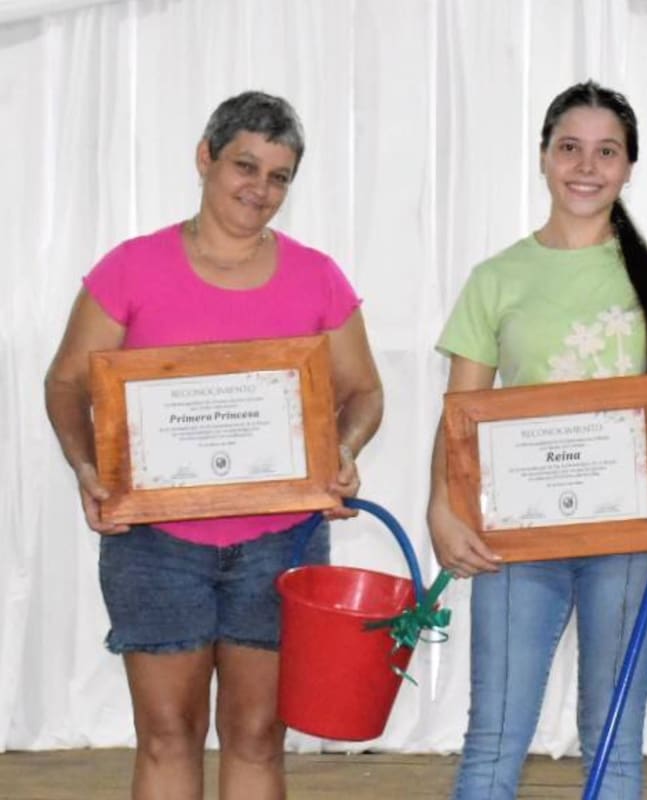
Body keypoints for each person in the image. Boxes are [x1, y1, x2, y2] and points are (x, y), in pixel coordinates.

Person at [44, 91, 384, 800]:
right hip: (154, 542)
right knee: (167, 734)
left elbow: (364, 392)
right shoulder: (130, 268)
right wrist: (86, 467)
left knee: (258, 736)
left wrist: (344, 452)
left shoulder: (317, 275)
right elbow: (66, 382)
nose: (260, 189)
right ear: (205, 158)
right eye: (245, 166)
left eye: (279, 176)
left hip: (280, 541)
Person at [427, 80, 647, 799]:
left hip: (637, 541)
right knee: (493, 743)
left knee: (613, 745)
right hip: (516, 540)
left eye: (606, 152)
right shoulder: (496, 278)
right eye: (569, 148)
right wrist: (441, 506)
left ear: (629, 167)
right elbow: (460, 414)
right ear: (543, 156)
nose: (586, 167)